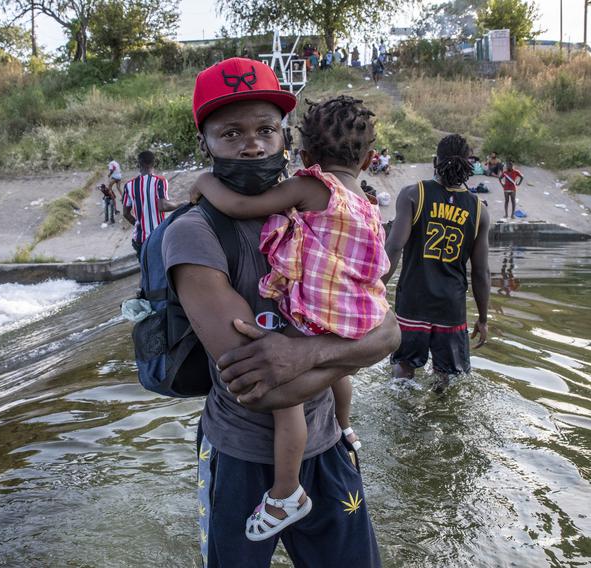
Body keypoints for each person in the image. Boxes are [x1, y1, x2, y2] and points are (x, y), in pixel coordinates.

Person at [165, 57, 398, 567]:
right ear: (204, 141)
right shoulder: (193, 233)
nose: (252, 145)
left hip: (327, 447)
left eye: (266, 130)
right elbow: (263, 388)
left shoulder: (317, 210)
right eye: (231, 133)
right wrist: (360, 350)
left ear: (288, 138)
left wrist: (307, 352)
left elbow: (391, 333)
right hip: (243, 458)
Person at [382, 134, 491, 391]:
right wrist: (483, 319)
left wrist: (374, 291)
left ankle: (404, 419)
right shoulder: (478, 210)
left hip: (413, 302)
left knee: (403, 368)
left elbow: (394, 246)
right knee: (447, 378)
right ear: (469, 165)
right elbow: (481, 273)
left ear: (435, 161)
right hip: (450, 309)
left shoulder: (413, 195)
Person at [122, 150, 180, 258]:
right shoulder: (160, 181)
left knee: (145, 272)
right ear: (154, 163)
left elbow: (126, 213)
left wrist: (139, 225)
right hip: (158, 237)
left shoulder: (129, 185)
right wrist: (180, 205)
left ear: (139, 164)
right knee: (160, 271)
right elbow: (162, 206)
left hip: (140, 240)